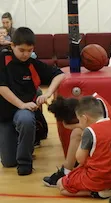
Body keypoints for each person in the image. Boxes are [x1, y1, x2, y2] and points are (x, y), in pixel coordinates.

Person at [0, 27, 65, 176]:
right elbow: (2, 88)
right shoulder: (2, 59)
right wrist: (21, 104)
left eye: (29, 50)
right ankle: (17, 140)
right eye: (21, 50)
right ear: (12, 46)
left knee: (26, 119)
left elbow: (59, 75)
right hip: (5, 114)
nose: (26, 54)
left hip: (23, 112)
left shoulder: (32, 63)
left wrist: (48, 93)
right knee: (8, 162)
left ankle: (25, 163)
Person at [56, 96, 111, 197]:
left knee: (61, 185)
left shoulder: (90, 131)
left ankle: (96, 193)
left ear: (84, 118)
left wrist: (83, 139)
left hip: (100, 178)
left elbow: (80, 159)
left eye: (79, 120)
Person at [43, 92, 111, 187]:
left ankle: (67, 170)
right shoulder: (93, 102)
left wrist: (72, 126)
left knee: (77, 132)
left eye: (79, 121)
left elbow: (99, 129)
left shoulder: (95, 109)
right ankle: (69, 169)